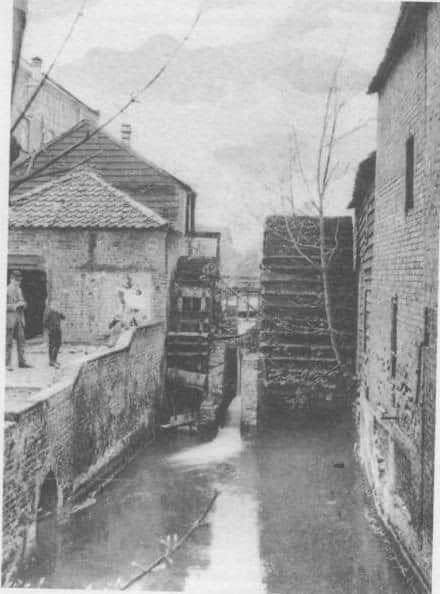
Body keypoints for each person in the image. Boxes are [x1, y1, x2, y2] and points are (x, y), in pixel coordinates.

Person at [5, 270, 31, 370]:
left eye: (19, 281)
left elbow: (23, 302)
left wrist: (23, 304)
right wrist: (14, 306)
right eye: (16, 280)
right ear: (11, 279)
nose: (18, 283)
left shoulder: (19, 290)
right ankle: (7, 364)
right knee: (8, 343)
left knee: (21, 341)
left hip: (19, 319)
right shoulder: (6, 290)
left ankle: (22, 362)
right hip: (9, 320)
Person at [43, 300, 65, 368]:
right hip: (52, 331)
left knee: (58, 344)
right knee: (52, 345)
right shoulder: (49, 313)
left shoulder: (57, 313)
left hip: (58, 331)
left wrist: (60, 312)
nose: (56, 307)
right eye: (55, 305)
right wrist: (50, 329)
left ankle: (54, 360)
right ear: (52, 306)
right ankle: (51, 361)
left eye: (57, 306)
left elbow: (64, 317)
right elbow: (45, 322)